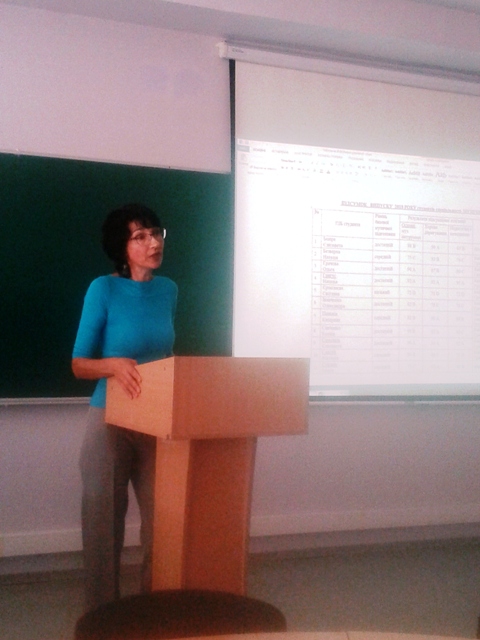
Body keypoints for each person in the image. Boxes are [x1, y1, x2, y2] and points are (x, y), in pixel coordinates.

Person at [72, 203, 177, 612]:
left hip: (156, 420)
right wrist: (113, 365)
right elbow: (79, 364)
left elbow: (164, 354)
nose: (153, 242)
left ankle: (155, 612)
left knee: (163, 523)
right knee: (103, 526)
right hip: (110, 420)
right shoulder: (103, 289)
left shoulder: (169, 291)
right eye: (140, 236)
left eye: (156, 233)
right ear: (122, 247)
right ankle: (103, 617)